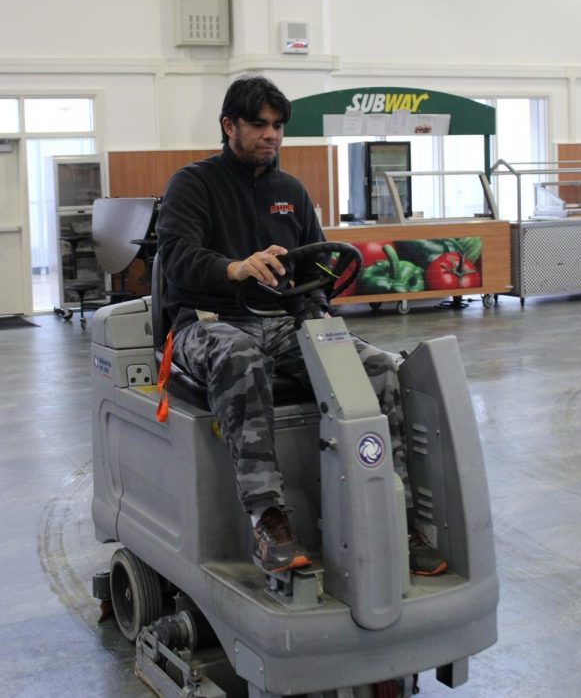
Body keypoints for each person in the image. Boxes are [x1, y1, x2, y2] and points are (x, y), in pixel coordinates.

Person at [156, 75, 447, 577]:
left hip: (283, 322)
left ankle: (389, 511)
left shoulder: (289, 190)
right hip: (207, 322)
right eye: (258, 125)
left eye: (277, 126)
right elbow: (177, 258)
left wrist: (324, 318)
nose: (271, 135)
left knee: (375, 366)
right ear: (229, 126)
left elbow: (314, 273)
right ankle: (267, 516)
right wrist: (235, 268)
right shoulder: (192, 184)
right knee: (241, 359)